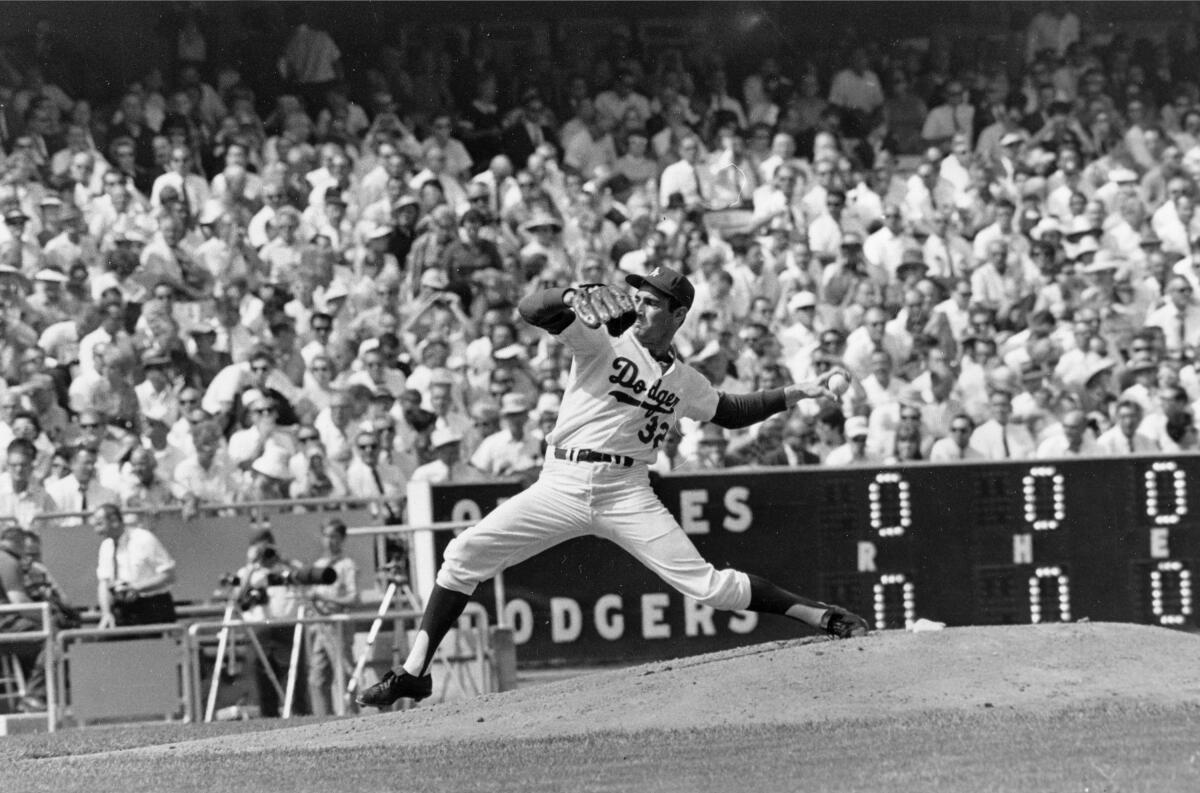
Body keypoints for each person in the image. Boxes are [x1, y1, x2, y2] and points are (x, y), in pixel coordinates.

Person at [357, 265, 869, 709]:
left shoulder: (685, 380)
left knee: (710, 588)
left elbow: (731, 412)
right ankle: (415, 673)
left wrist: (799, 391)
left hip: (627, 490)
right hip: (562, 482)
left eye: (651, 301)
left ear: (678, 314)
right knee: (463, 555)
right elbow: (531, 310)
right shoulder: (600, 341)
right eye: (638, 299)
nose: (640, 307)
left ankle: (822, 615)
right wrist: (568, 296)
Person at [92, 502, 177, 628]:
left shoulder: (143, 539)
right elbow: (104, 583)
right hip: (123, 608)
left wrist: (137, 587)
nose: (96, 530)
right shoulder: (106, 546)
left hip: (153, 606)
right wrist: (106, 613)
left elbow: (168, 576)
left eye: (100, 524)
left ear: (114, 521)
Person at [306, 518, 359, 717]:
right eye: (326, 536)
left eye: (334, 537)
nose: (329, 541)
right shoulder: (319, 565)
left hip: (338, 625)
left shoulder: (347, 565)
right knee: (317, 678)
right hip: (320, 625)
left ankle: (353, 716)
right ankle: (323, 719)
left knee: (344, 674)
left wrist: (323, 597)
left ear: (342, 539)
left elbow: (354, 598)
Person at [0, 525, 49, 712]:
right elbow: (18, 601)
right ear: (19, 542)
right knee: (52, 640)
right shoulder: (7, 560)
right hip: (4, 626)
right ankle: (34, 699)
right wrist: (46, 618)